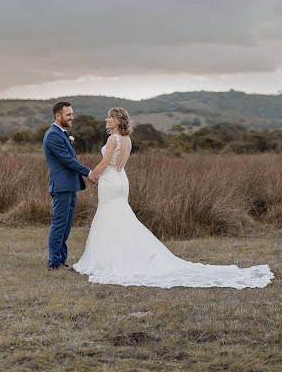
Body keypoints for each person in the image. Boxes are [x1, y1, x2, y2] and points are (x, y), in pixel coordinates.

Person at [73, 107, 274, 289]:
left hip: (110, 180)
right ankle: (119, 255)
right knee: (121, 217)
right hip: (121, 180)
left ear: (117, 120)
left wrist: (91, 175)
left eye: (109, 117)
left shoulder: (112, 139)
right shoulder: (127, 140)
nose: (106, 119)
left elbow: (105, 162)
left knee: (109, 216)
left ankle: (109, 260)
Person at [43, 101, 96, 270]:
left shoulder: (62, 133)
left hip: (70, 186)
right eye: (68, 114)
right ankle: (54, 262)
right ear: (58, 116)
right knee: (59, 224)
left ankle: (61, 259)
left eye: (72, 114)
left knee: (66, 225)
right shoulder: (53, 135)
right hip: (61, 186)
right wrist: (89, 173)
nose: (72, 117)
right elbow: (68, 160)